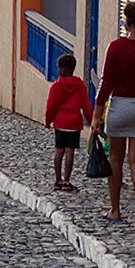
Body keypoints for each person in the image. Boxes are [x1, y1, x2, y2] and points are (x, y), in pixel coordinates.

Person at [90, 2, 135, 230]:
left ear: (126, 23)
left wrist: (96, 115)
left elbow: (106, 84)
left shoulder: (115, 47)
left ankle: (115, 209)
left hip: (120, 107)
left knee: (115, 159)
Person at [45, 54, 93, 192]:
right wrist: (92, 122)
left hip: (60, 123)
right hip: (73, 123)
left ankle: (57, 180)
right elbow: (86, 106)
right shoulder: (80, 85)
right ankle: (67, 180)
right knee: (70, 151)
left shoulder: (56, 87)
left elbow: (51, 106)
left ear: (61, 69)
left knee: (59, 151)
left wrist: (48, 121)